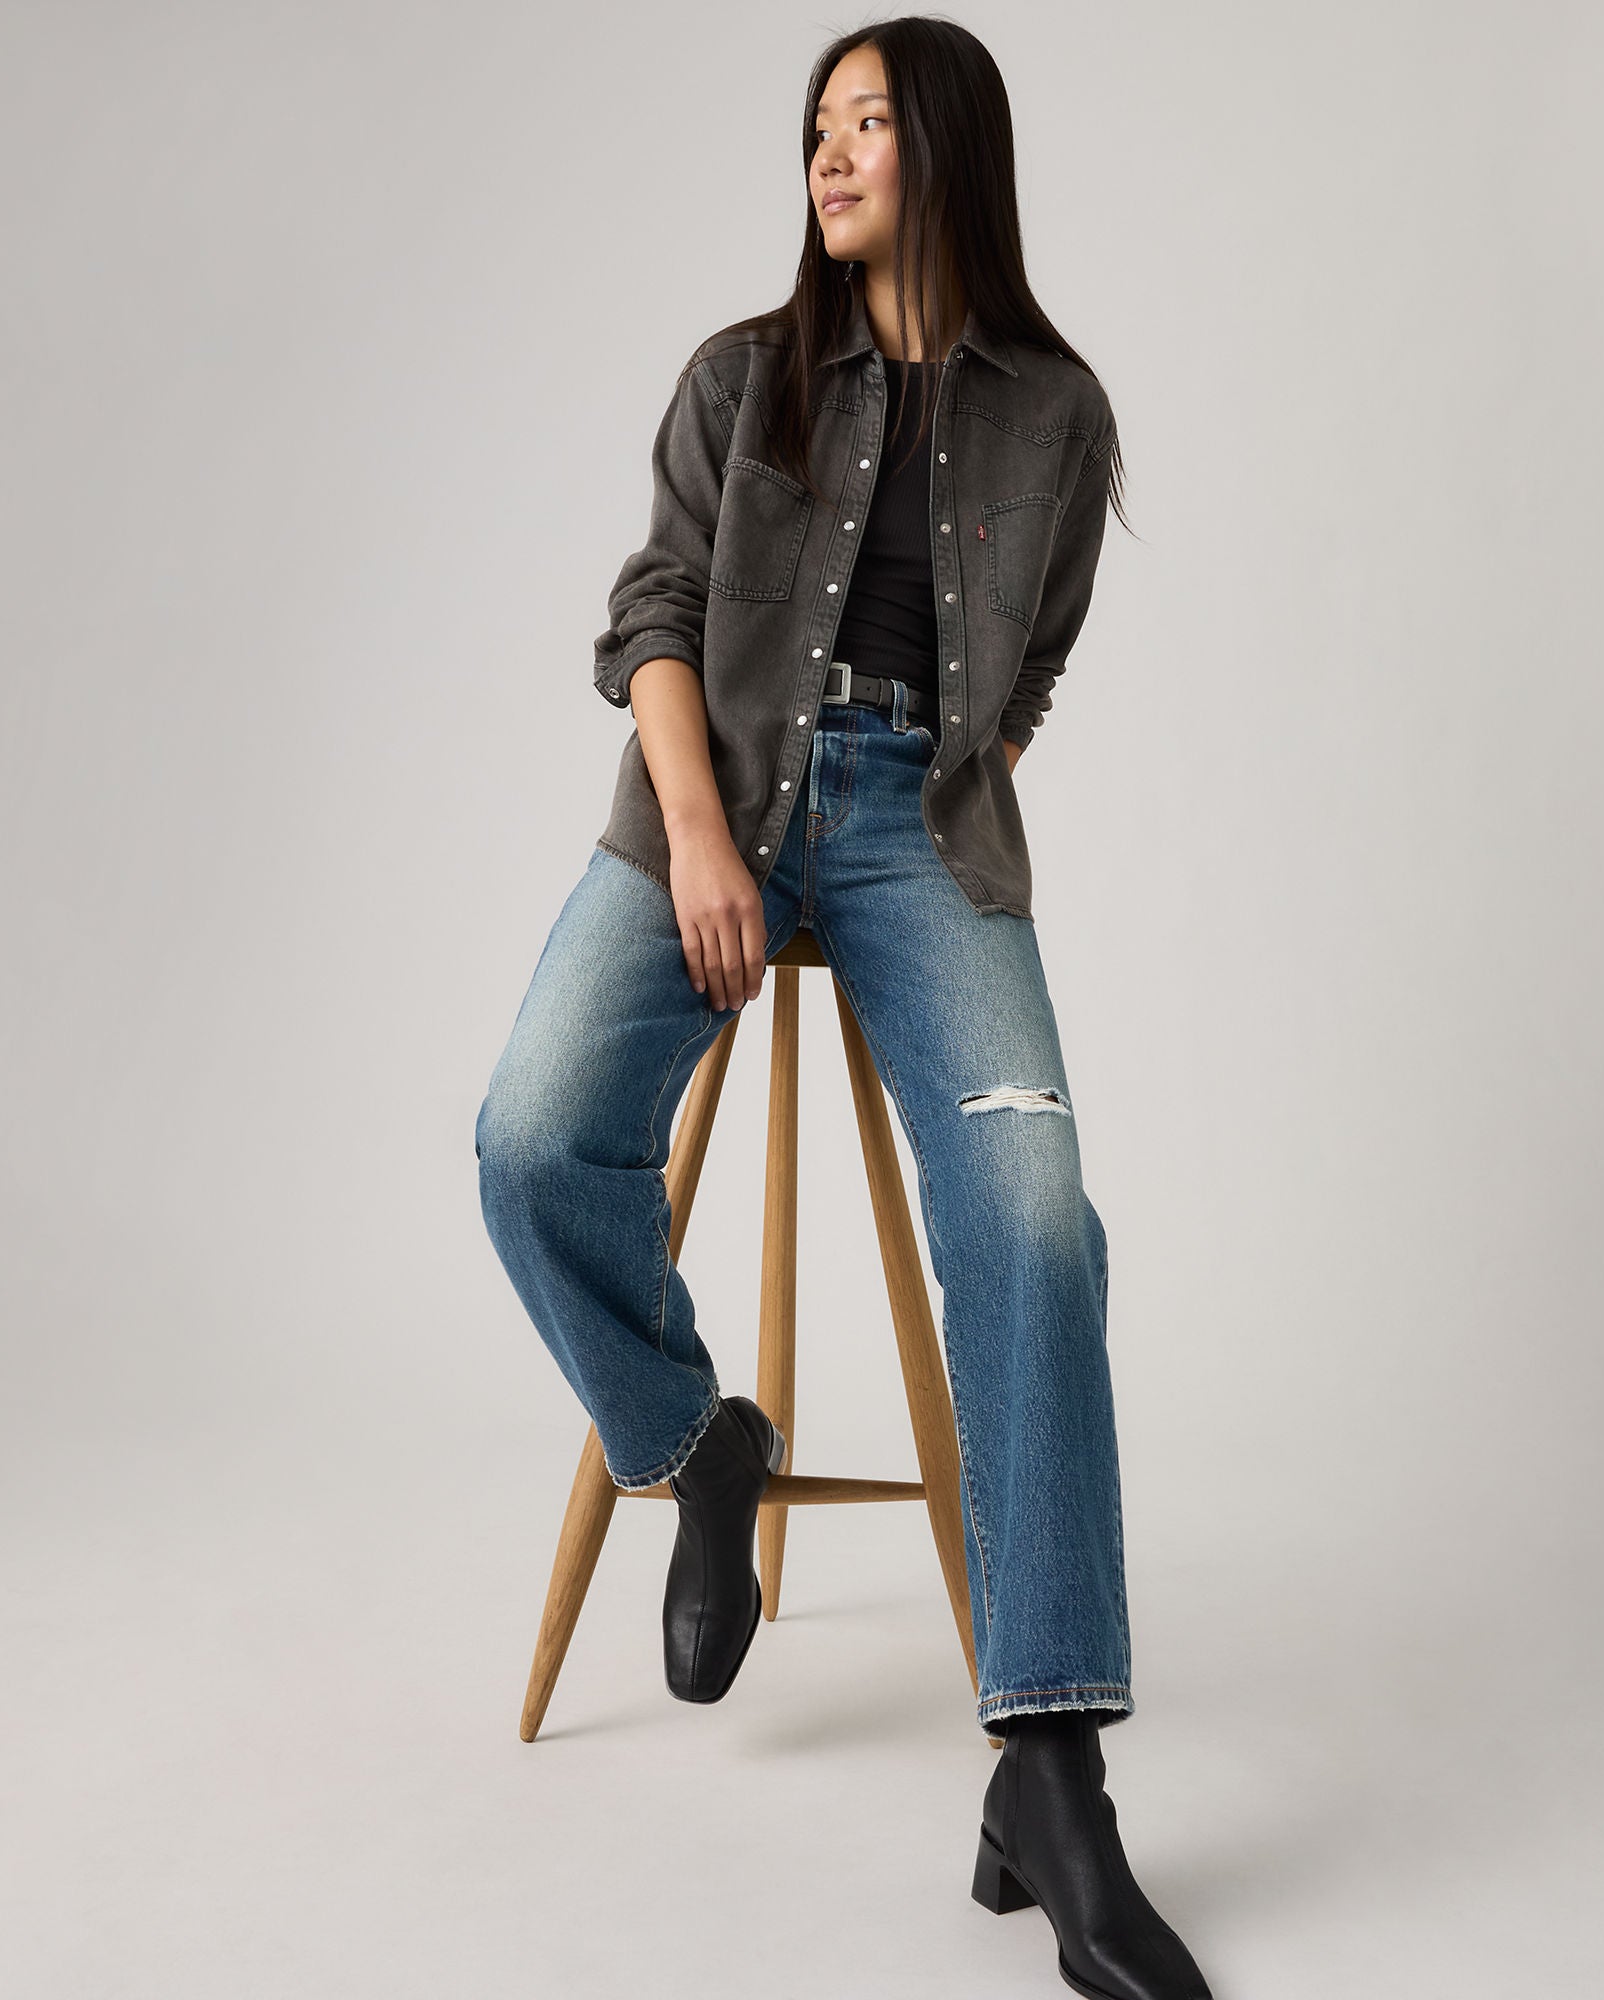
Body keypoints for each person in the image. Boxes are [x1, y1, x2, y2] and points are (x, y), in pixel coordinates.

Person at [475, 18, 1213, 1998]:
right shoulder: (741, 376)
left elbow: (1029, 668)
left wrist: (932, 798)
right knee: (531, 1140)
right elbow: (651, 613)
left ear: (948, 147)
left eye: (869, 121)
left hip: (920, 835)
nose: (831, 152)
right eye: (817, 124)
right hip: (703, 802)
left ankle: (1047, 1773)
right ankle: (695, 1439)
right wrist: (700, 838)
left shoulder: (1061, 416)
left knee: (1037, 1229)